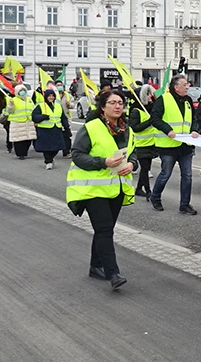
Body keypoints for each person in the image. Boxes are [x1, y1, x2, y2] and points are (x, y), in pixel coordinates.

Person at [67, 89, 138, 290]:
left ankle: (95, 266)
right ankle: (113, 273)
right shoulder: (91, 127)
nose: (117, 106)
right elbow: (77, 155)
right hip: (92, 189)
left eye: (120, 103)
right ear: (103, 106)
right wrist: (103, 162)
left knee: (104, 230)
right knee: (105, 230)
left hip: (116, 189)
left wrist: (132, 165)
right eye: (113, 103)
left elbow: (134, 154)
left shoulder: (127, 129)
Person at [149, 74, 199, 215]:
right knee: (166, 174)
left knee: (187, 176)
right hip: (168, 146)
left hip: (185, 145)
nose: (187, 87)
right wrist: (168, 130)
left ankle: (184, 204)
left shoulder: (188, 100)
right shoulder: (163, 100)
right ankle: (155, 197)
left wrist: (195, 129)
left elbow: (193, 119)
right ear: (176, 87)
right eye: (185, 85)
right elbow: (154, 119)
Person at [131, 85, 159, 197]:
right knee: (145, 169)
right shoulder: (136, 111)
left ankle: (138, 189)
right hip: (141, 145)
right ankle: (148, 192)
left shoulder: (150, 108)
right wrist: (149, 122)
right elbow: (134, 127)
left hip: (151, 143)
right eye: (147, 94)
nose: (149, 96)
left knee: (146, 168)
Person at [32, 89, 70, 170]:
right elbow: (34, 117)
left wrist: (66, 127)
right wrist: (42, 117)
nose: (51, 97)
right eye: (49, 96)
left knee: (57, 147)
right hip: (45, 130)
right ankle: (48, 161)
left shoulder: (58, 106)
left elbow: (63, 117)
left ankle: (51, 158)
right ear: (46, 97)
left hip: (56, 129)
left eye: (52, 96)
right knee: (46, 148)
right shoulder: (41, 106)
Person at [5, 84, 37, 159]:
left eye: (24, 90)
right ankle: (20, 154)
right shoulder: (13, 100)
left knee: (28, 139)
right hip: (17, 122)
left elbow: (33, 108)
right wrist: (10, 104)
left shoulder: (29, 99)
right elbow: (10, 111)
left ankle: (24, 152)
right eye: (20, 91)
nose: (22, 92)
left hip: (28, 121)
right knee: (19, 140)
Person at [55, 80, 74, 158]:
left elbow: (73, 105)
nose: (59, 86)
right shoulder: (53, 94)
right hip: (55, 118)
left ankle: (66, 152)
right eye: (58, 85)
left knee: (66, 136)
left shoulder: (67, 95)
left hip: (66, 117)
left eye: (61, 85)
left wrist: (69, 104)